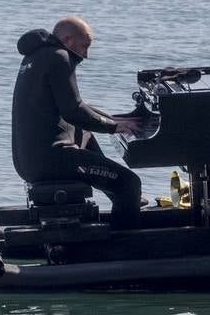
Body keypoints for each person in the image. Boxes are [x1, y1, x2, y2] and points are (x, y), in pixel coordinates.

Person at [12, 16, 144, 229]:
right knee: (129, 184)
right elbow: (73, 111)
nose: (86, 55)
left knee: (84, 133)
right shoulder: (60, 57)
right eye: (85, 46)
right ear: (67, 39)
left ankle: (115, 194)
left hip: (29, 162)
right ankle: (124, 244)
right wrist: (114, 127)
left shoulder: (36, 56)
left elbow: (76, 106)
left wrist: (114, 119)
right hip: (53, 161)